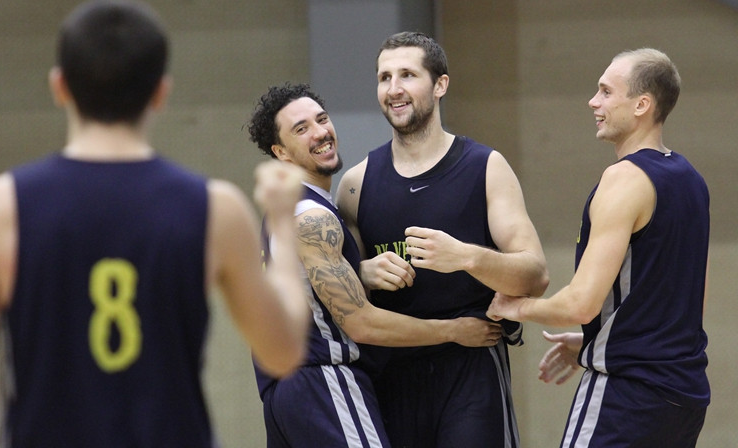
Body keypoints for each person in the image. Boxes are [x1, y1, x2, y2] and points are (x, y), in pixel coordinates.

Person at [0, 1, 311, 447]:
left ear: (59, 87)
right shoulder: (217, 208)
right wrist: (282, 223)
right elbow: (284, 353)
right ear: (160, 92)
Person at [247, 83, 507, 448]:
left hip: (283, 397)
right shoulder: (311, 218)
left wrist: (360, 270)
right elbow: (362, 323)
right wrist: (454, 330)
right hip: (323, 383)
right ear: (280, 152)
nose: (320, 132)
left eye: (321, 119)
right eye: (301, 129)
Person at [487, 48, 710, 447]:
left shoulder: (624, 179)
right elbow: (679, 301)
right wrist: (601, 338)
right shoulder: (691, 178)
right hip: (684, 395)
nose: (593, 101)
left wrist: (514, 306)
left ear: (642, 104)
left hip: (629, 392)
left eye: (606, 92)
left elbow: (579, 305)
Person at [336, 32, 549, 448]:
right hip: (390, 373)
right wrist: (361, 272)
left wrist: (467, 257)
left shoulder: (485, 167)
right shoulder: (356, 184)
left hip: (470, 368)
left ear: (440, 85)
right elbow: (340, 295)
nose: (393, 89)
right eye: (384, 77)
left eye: (407, 75)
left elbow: (536, 276)